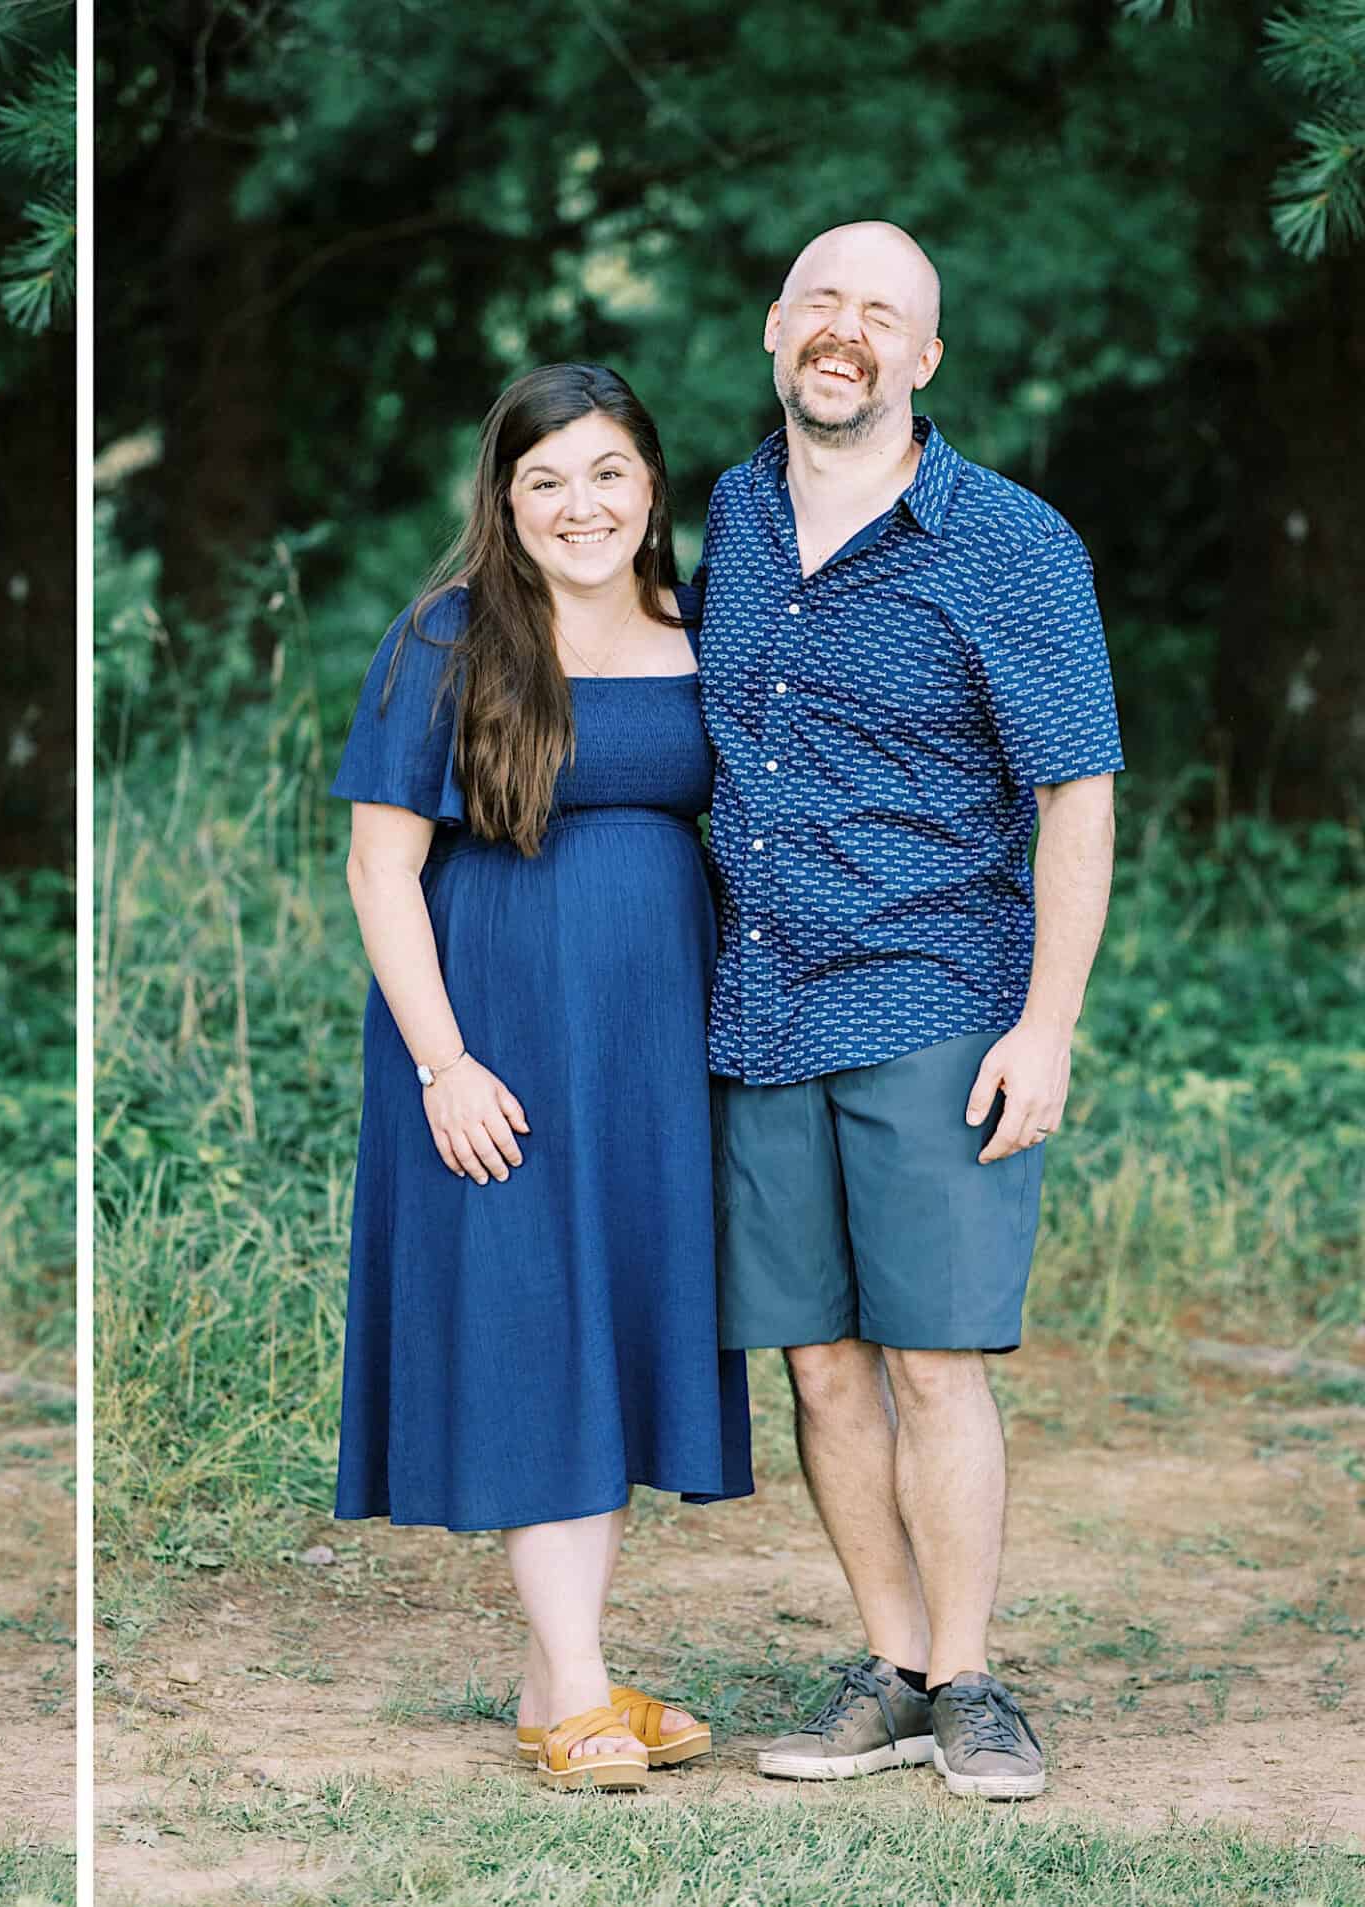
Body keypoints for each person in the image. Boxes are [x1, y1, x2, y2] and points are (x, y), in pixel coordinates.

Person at [696, 222, 1121, 1802]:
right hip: (754, 1010)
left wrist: (1048, 1020)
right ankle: (889, 1668)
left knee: (934, 1358)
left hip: (938, 1000)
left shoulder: (1009, 542)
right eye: (824, 302)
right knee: (815, 1366)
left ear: (926, 359)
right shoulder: (728, 517)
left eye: (884, 315)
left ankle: (975, 1676)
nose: (847, 333)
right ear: (775, 328)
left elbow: (1077, 790)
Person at [333, 362, 753, 1793]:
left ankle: (554, 1674)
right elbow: (380, 869)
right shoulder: (445, 641)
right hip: (496, 1041)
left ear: (653, 485)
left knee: (610, 1335)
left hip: (651, 1051)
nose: (582, 505)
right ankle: (576, 1685)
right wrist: (444, 1063)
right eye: (545, 480)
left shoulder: (704, 627)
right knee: (534, 1331)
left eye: (608, 473)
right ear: (504, 503)